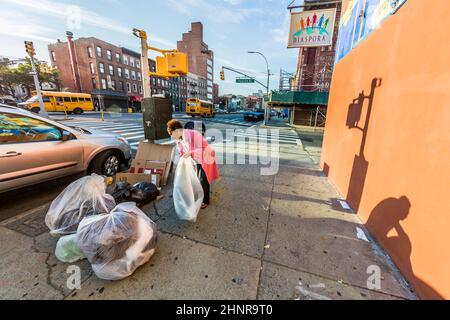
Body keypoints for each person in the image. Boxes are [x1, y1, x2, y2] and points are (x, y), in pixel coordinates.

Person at [167, 119, 219, 209]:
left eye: (172, 134)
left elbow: (205, 148)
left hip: (205, 157)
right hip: (196, 159)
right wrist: (183, 155)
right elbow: (182, 150)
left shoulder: (193, 134)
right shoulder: (178, 139)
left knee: (203, 179)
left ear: (177, 130)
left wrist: (191, 153)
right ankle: (199, 195)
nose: (172, 137)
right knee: (197, 179)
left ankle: (206, 200)